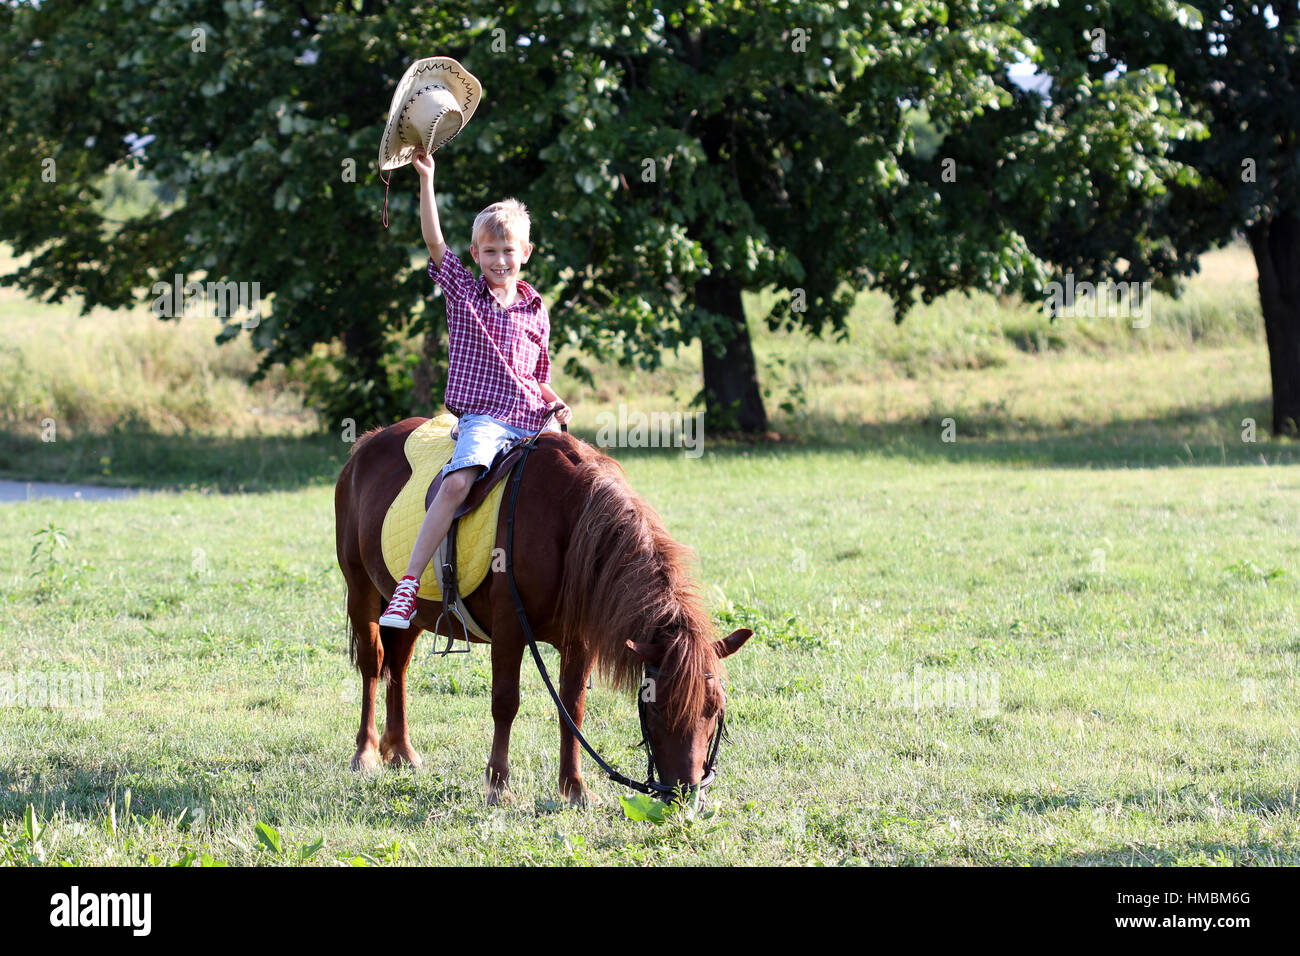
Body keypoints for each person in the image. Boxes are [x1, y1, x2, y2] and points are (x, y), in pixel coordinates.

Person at [379, 151, 571, 628]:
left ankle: (570, 586)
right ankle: (407, 587)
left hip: (531, 417)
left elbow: (537, 376)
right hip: (486, 418)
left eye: (508, 251)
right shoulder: (465, 293)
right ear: (476, 255)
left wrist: (555, 400)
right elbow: (433, 240)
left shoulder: (536, 310)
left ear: (525, 253)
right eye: (489, 252)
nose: (499, 260)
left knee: (576, 481)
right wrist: (427, 180)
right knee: (458, 483)